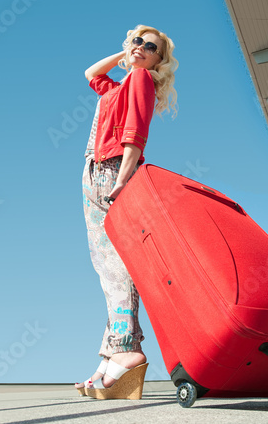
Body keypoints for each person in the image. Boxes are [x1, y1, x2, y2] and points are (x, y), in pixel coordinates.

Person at [76, 25, 178, 400]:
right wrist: (124, 53)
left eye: (150, 47)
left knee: (117, 267)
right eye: (137, 41)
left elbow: (135, 133)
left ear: (158, 61)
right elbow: (92, 75)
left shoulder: (139, 80)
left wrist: (123, 180)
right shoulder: (118, 86)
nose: (141, 49)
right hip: (94, 172)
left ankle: (125, 349)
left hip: (110, 172)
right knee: (108, 269)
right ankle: (110, 354)